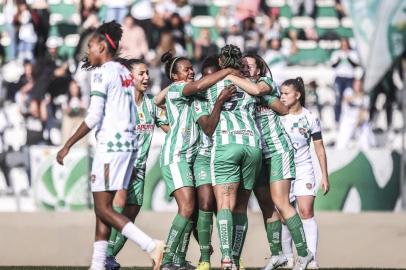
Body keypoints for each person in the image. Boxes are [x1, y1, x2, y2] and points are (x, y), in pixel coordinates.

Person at [56, 21, 164, 270]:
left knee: (103, 208)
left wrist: (68, 145)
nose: (88, 51)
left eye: (91, 46)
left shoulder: (102, 73)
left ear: (102, 46)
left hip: (111, 145)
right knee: (104, 207)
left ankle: (150, 245)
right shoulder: (125, 73)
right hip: (129, 145)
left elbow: (94, 116)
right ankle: (98, 264)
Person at [226, 56, 313, 270]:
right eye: (242, 65)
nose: (245, 68)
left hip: (276, 150)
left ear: (260, 69)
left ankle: (304, 253)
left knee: (281, 202)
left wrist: (228, 74)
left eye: (250, 66)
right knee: (266, 205)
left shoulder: (265, 83)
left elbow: (277, 106)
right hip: (256, 154)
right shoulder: (240, 91)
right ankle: (278, 255)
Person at [158, 51, 237, 270]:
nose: (191, 71)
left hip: (188, 158)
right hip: (175, 156)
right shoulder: (176, 89)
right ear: (174, 76)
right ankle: (166, 259)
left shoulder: (191, 97)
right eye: (186, 69)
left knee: (190, 210)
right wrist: (227, 71)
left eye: (192, 68)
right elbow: (201, 86)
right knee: (187, 207)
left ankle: (178, 259)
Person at [103, 58, 169, 270]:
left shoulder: (151, 103)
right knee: (117, 209)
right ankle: (103, 255)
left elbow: (169, 128)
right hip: (120, 165)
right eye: (141, 73)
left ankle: (109, 255)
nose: (146, 77)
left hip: (139, 170)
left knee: (131, 212)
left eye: (147, 73)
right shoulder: (120, 102)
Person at [192, 55, 237, 270]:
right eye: (208, 79)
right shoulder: (199, 100)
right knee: (206, 203)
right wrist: (219, 100)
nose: (212, 84)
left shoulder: (232, 98)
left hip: (222, 154)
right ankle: (204, 258)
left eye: (216, 79)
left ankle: (231, 255)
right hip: (203, 156)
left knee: (225, 207)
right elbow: (208, 128)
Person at [280, 77, 330, 269]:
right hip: (282, 170)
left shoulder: (310, 118)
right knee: (284, 216)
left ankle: (311, 259)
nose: (282, 97)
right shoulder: (277, 116)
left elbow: (319, 148)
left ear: (298, 95)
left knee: (306, 212)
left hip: (303, 169)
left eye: (286, 93)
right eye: (281, 93)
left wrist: (324, 175)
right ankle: (288, 258)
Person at [330, 38, 359, 124]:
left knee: (349, 98)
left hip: (349, 78)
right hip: (339, 78)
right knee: (338, 98)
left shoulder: (353, 53)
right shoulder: (337, 53)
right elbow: (333, 65)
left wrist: (348, 57)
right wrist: (339, 59)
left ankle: (350, 119)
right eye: (342, 44)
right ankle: (337, 120)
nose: (344, 46)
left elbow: (355, 65)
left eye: (345, 44)